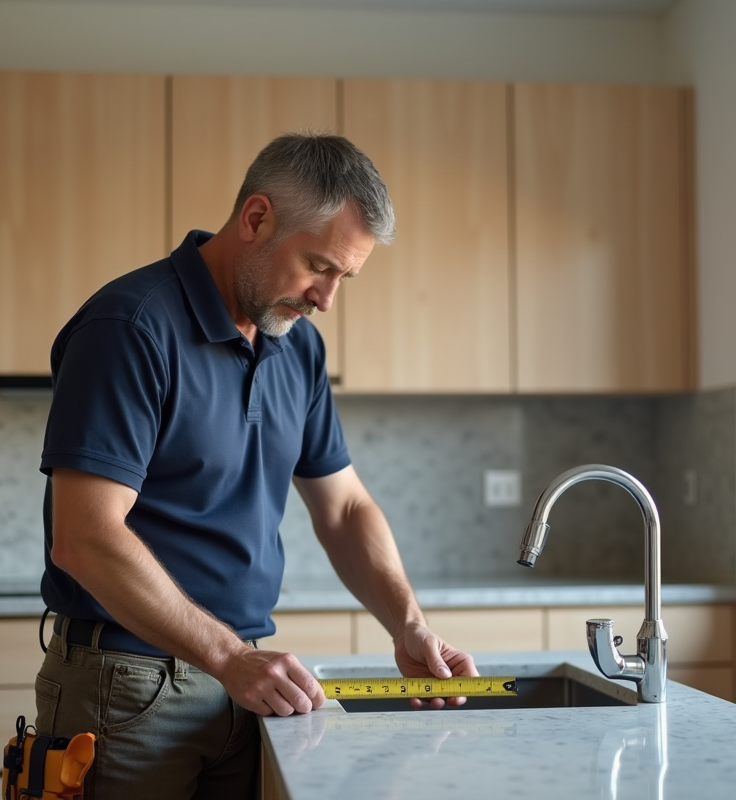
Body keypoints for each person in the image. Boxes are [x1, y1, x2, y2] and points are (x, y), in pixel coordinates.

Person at [33, 132, 478, 799]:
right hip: (124, 687)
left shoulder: (295, 347)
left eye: (343, 279)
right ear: (256, 219)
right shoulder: (130, 327)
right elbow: (85, 536)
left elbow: (345, 506)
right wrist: (230, 658)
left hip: (243, 686)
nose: (326, 298)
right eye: (318, 267)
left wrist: (408, 624)